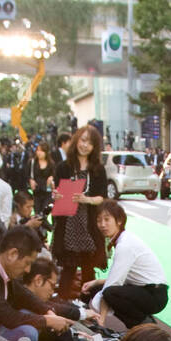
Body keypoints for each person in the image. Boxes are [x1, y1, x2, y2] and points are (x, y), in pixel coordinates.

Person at [80, 200, 168, 328]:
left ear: (119, 220)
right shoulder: (122, 239)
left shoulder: (124, 245)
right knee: (96, 289)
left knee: (111, 293)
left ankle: (144, 326)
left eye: (107, 219)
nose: (102, 225)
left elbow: (112, 285)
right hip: (145, 290)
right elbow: (118, 278)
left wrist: (101, 319)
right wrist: (96, 282)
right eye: (99, 220)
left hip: (154, 295)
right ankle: (141, 323)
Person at [52, 127, 107, 298]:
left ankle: (88, 307)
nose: (85, 145)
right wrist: (56, 195)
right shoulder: (63, 167)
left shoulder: (98, 169)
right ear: (76, 140)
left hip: (88, 225)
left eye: (90, 143)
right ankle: (62, 307)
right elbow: (56, 193)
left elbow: (102, 197)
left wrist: (87, 199)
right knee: (68, 270)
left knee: (88, 270)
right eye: (83, 140)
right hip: (67, 225)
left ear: (94, 147)